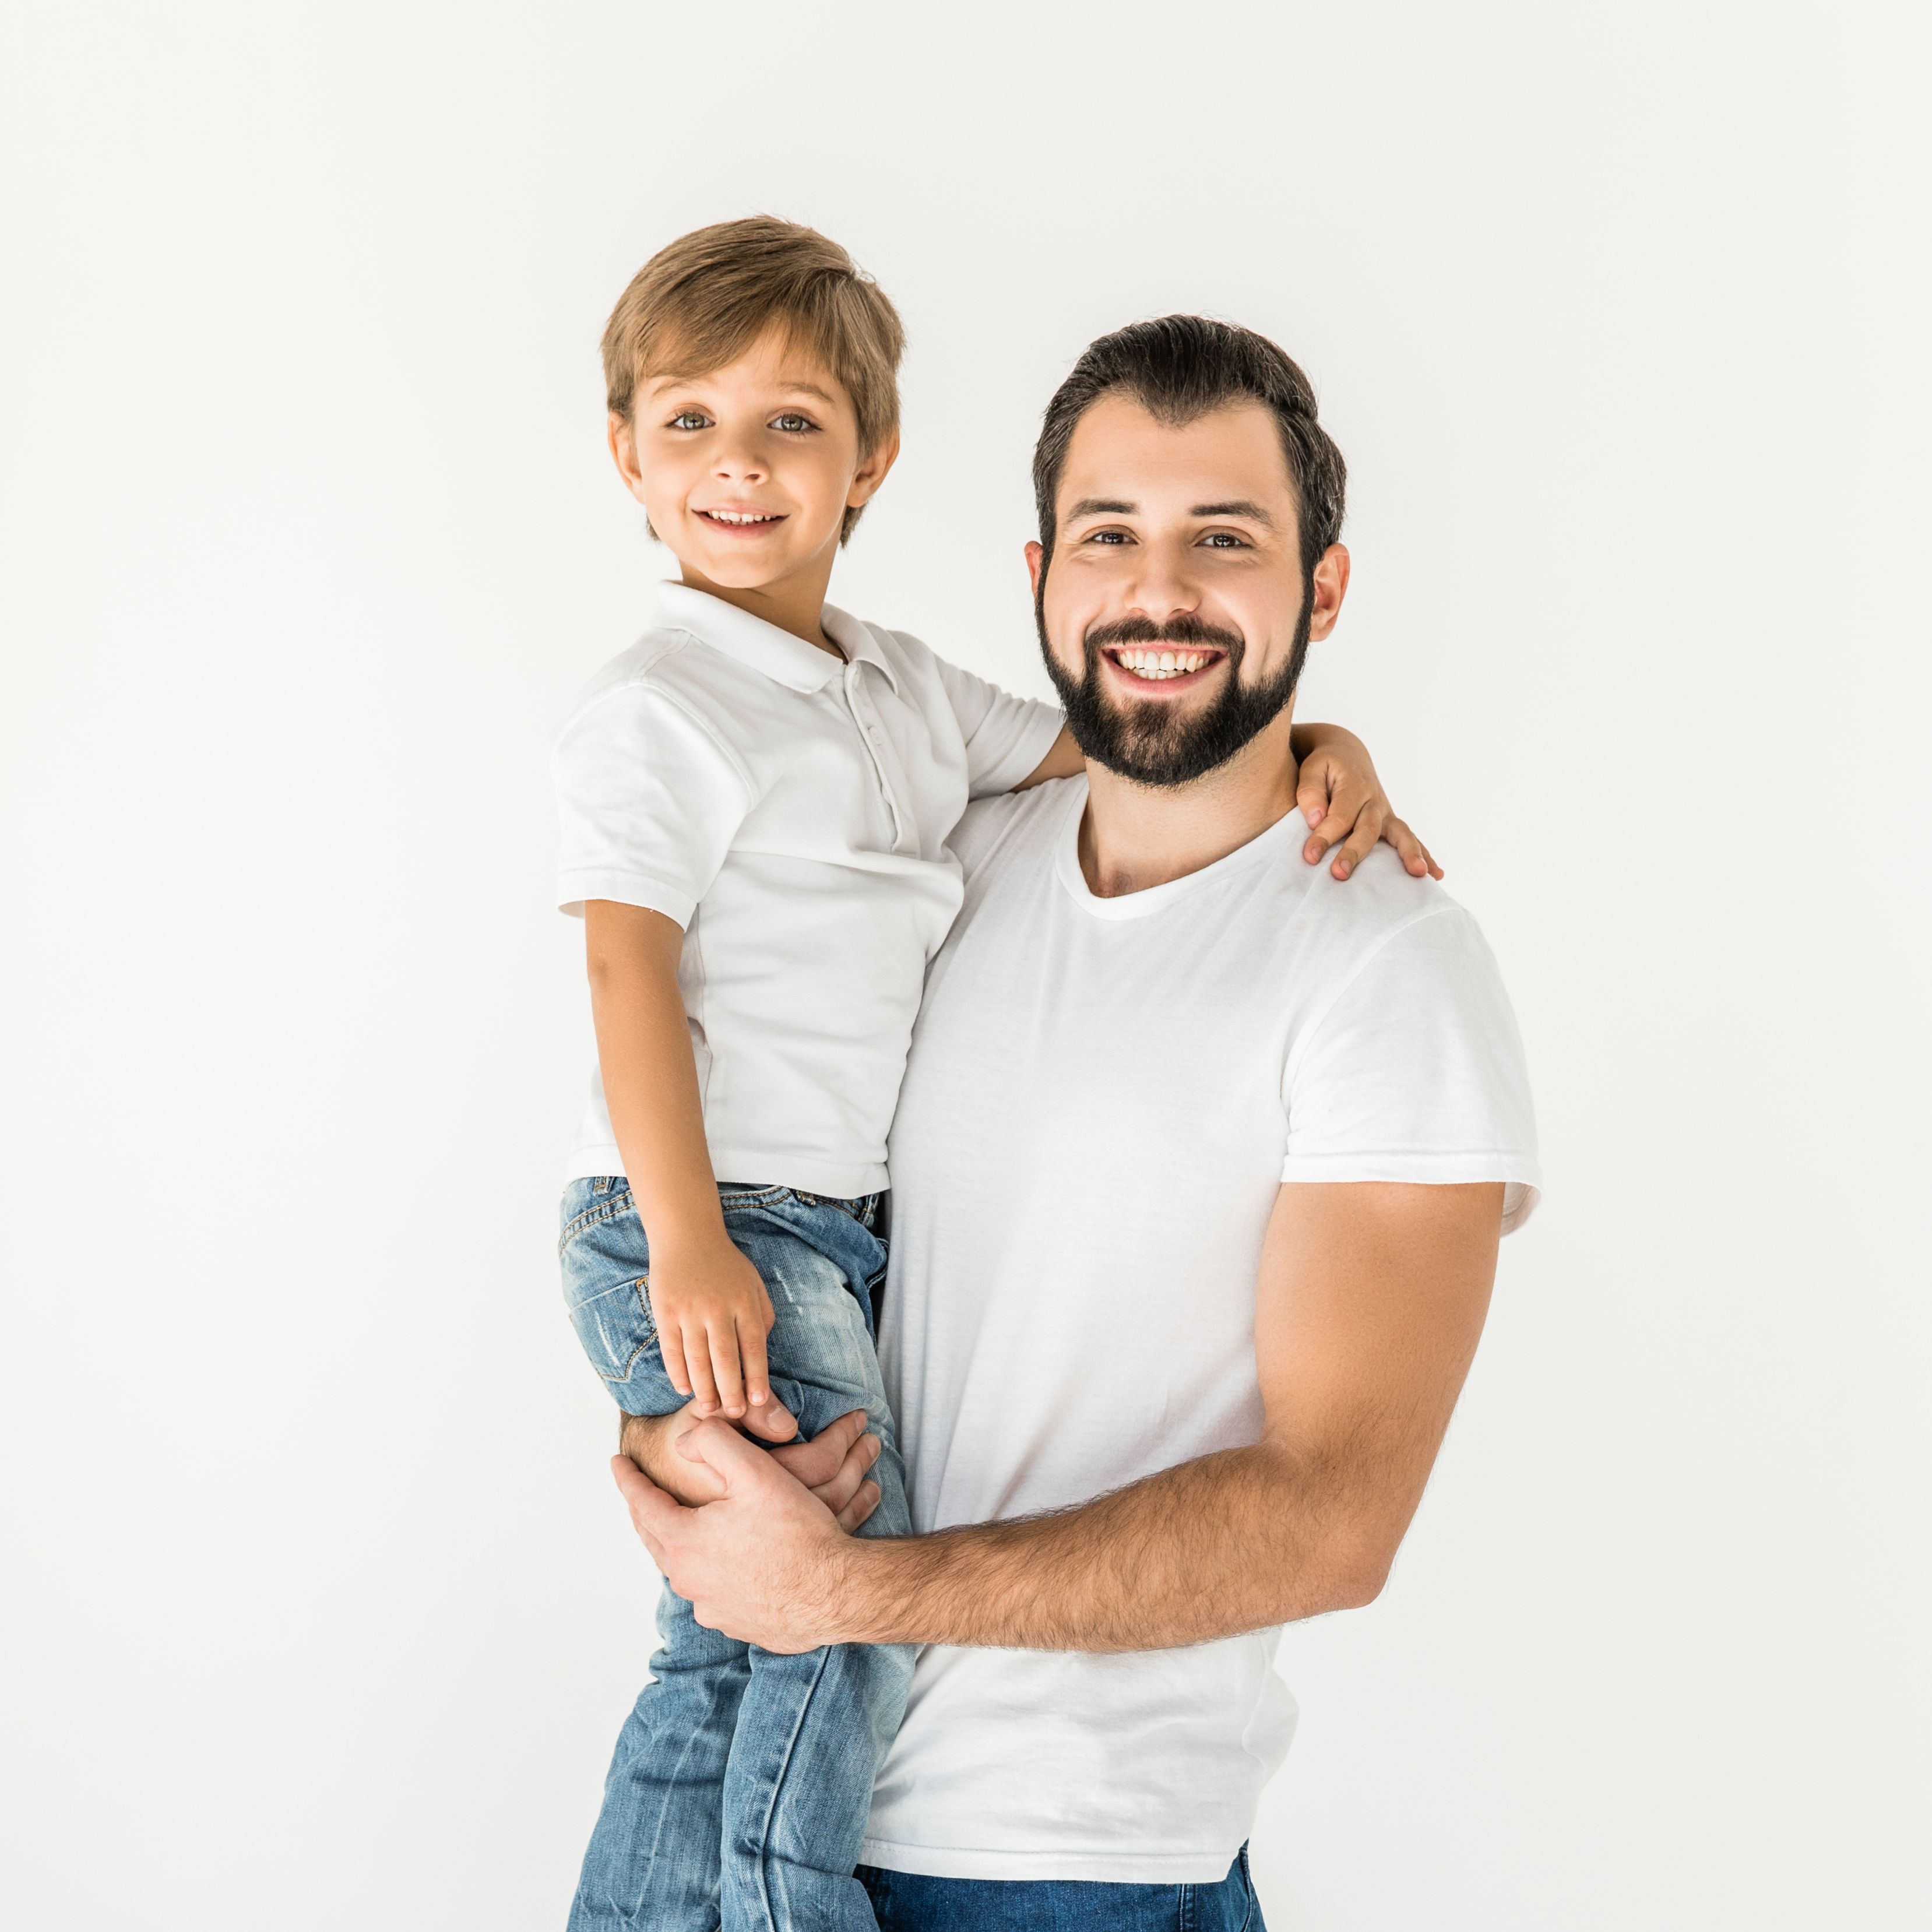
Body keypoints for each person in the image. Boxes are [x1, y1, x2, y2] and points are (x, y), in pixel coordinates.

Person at [612, 315, 1542, 1932]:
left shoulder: (1383, 961)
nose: (1158, 589)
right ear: (1043, 574)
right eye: (1111, 534)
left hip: (1061, 1866)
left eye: (1223, 540)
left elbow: (1331, 1516)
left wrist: (844, 1591)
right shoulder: (934, 857)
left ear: (1320, 590)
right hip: (753, 1787)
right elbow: (752, 1177)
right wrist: (673, 1424)